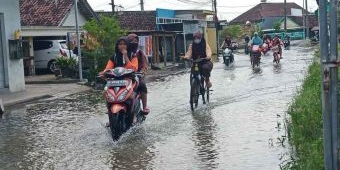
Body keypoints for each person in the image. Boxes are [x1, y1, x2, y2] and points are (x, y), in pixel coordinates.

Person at [127, 33, 150, 114]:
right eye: (131, 41)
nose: (133, 42)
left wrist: (143, 72)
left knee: (142, 85)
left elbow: (145, 65)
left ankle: (145, 106)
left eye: (135, 41)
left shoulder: (140, 53)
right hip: (124, 76)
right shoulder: (124, 52)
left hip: (137, 75)